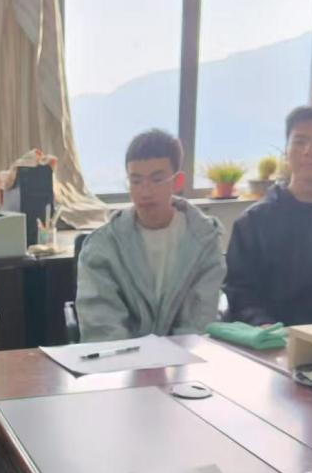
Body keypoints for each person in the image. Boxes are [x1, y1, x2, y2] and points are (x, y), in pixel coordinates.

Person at [225, 102, 312, 326]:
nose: (309, 151)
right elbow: (240, 292)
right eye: (300, 141)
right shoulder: (254, 220)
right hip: (272, 337)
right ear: (286, 150)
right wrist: (264, 326)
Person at [76, 129, 226, 341]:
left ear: (177, 182)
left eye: (157, 180)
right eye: (136, 181)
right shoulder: (102, 245)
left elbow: (199, 320)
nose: (145, 192)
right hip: (121, 359)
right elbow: (102, 327)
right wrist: (137, 359)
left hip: (185, 357)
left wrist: (173, 358)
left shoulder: (204, 240)